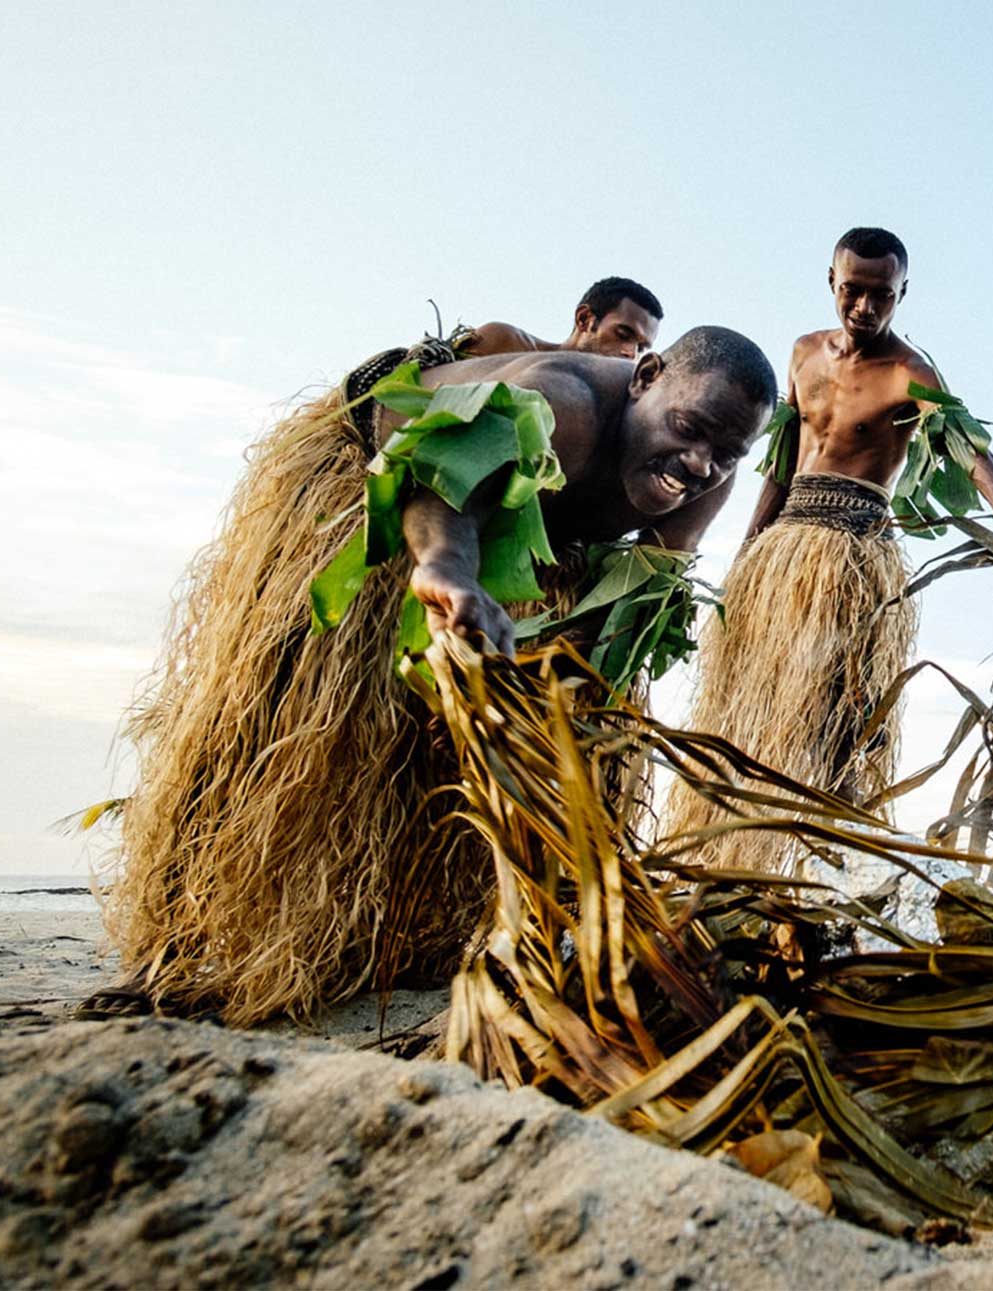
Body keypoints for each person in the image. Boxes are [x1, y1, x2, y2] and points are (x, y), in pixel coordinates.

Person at [99, 326, 773, 1025]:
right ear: (646, 376)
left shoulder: (707, 481)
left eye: (727, 453)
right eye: (687, 428)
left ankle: (415, 942)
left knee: (474, 755)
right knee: (275, 725)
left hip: (522, 534)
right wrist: (445, 565)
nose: (700, 463)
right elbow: (443, 485)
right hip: (380, 474)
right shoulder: (561, 405)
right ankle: (169, 950)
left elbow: (639, 593)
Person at [664, 227, 993, 875]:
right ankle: (724, 855)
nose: (865, 307)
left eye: (883, 295)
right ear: (831, 281)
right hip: (782, 552)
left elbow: (965, 443)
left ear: (902, 293)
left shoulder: (910, 373)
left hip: (853, 558)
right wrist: (746, 554)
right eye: (853, 290)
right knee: (747, 706)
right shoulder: (802, 354)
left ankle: (831, 860)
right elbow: (780, 464)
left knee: (837, 718)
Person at [466, 276, 664, 359]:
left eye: (641, 348)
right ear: (585, 319)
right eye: (622, 334)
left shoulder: (613, 409)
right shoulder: (507, 343)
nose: (631, 354)